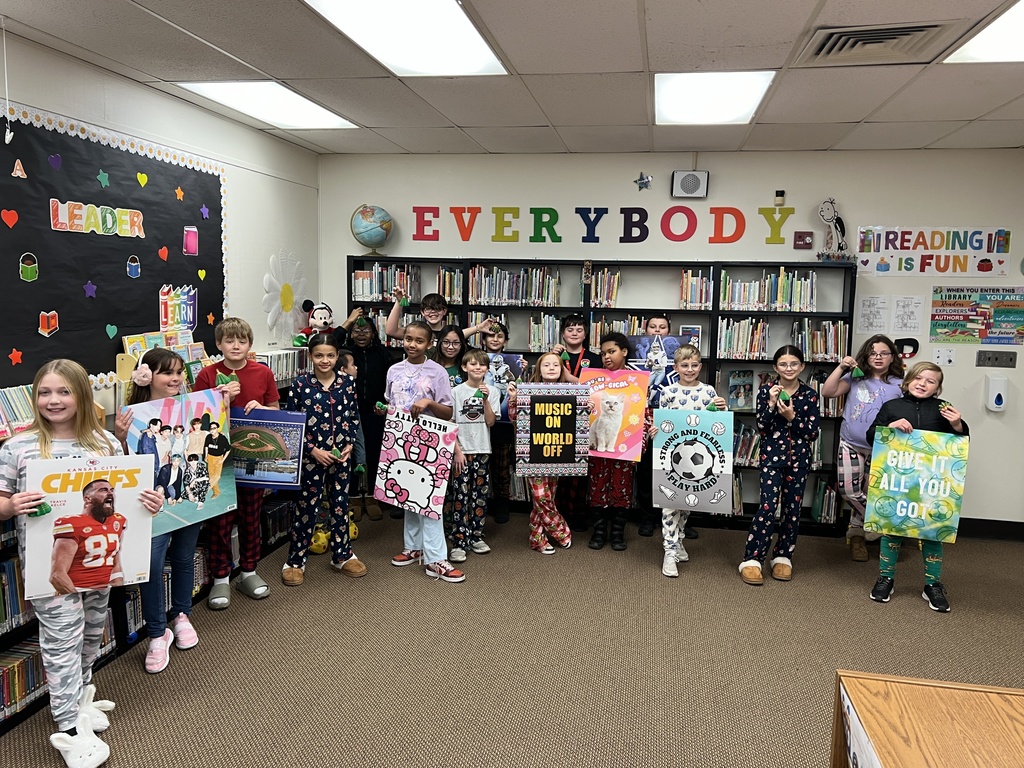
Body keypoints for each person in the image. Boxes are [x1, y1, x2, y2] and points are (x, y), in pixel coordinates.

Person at [0, 359, 162, 767]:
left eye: (64, 391)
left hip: (100, 564)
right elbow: (0, 500)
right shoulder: (18, 447)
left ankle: (82, 695)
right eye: (44, 392)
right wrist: (10, 506)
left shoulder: (105, 443)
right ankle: (69, 729)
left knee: (93, 630)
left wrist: (151, 502)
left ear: (81, 395)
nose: (53, 400)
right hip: (50, 569)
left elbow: (127, 498)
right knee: (61, 640)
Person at [119, 347, 202, 674]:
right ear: (146, 375)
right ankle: (157, 631)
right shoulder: (132, 415)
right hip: (150, 501)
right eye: (168, 372)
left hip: (185, 488)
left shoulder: (190, 406)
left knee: (184, 556)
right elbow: (124, 463)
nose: (176, 379)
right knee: (151, 564)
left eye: (179, 372)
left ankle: (181, 614)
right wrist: (120, 437)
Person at [866, 362, 968, 613]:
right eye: (918, 378)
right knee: (892, 529)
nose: (923, 384)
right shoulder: (892, 407)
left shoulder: (944, 409)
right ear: (908, 380)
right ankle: (885, 578)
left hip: (931, 484)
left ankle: (932, 584)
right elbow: (872, 436)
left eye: (930, 381)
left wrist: (957, 425)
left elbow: (960, 446)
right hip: (898, 481)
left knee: (933, 532)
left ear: (938, 388)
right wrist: (889, 427)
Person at [193, 316, 280, 609]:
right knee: (220, 518)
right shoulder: (207, 374)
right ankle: (220, 578)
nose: (235, 346)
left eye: (241, 341)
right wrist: (220, 402)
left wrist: (263, 408)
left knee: (250, 516)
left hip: (251, 456)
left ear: (249, 344)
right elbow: (199, 420)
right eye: (229, 340)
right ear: (219, 344)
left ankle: (249, 571)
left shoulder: (262, 372)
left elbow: (276, 410)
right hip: (218, 458)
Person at [377, 321, 462, 582]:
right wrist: (384, 410)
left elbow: (449, 412)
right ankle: (413, 547)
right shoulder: (394, 369)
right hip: (400, 437)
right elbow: (391, 402)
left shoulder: (437, 372)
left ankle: (436, 559)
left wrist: (428, 402)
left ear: (429, 344)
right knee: (408, 496)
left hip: (430, 440)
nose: (412, 344)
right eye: (408, 339)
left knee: (429, 499)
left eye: (419, 341)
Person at [281, 334, 365, 585]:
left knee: (340, 505)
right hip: (312, 458)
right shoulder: (300, 384)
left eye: (330, 355)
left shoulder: (347, 383)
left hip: (341, 458)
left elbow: (353, 416)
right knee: (307, 507)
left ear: (337, 356)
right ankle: (295, 560)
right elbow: (292, 424)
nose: (324, 360)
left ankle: (342, 555)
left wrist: (349, 445)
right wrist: (312, 450)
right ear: (310, 356)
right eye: (319, 355)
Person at [739, 345, 821, 586]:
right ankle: (753, 558)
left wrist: (792, 418)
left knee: (792, 510)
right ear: (776, 367)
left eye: (794, 364)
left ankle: (783, 556)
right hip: (772, 459)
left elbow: (812, 433)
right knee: (767, 506)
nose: (789, 368)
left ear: (802, 366)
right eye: (783, 364)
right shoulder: (766, 390)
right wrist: (773, 405)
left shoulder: (810, 395)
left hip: (799, 460)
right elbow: (762, 427)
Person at [820, 335, 904, 561]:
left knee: (871, 492)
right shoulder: (855, 378)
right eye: (873, 353)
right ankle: (880, 523)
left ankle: (857, 536)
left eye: (884, 353)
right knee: (848, 490)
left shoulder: (900, 384)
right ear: (866, 355)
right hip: (851, 443)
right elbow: (828, 392)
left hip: (882, 447)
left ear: (892, 357)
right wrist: (841, 367)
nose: (878, 357)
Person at [655, 345, 727, 577]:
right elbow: (663, 423)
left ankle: (679, 540)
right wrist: (655, 431)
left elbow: (717, 426)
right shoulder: (667, 392)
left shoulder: (708, 392)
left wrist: (724, 410)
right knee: (669, 505)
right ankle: (669, 551)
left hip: (698, 461)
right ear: (676, 368)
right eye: (684, 365)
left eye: (694, 365)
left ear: (700, 366)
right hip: (671, 459)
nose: (689, 369)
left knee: (687, 503)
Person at [635, 313, 700, 540]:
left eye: (662, 327)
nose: (657, 331)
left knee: (677, 468)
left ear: (668, 331)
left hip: (675, 417)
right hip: (644, 417)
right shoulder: (638, 354)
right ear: (646, 330)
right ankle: (647, 517)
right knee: (645, 470)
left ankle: (681, 520)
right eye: (652, 327)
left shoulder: (679, 358)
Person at [507, 352, 575, 554]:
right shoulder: (527, 390)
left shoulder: (570, 391)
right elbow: (515, 420)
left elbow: (575, 423)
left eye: (556, 365)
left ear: (562, 369)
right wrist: (513, 400)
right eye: (547, 365)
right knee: (541, 496)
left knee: (547, 497)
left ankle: (536, 538)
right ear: (539, 369)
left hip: (557, 450)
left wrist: (584, 408)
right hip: (532, 451)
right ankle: (561, 531)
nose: (552, 368)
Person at [588, 332, 651, 552]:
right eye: (603, 353)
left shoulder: (638, 380)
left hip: (624, 446)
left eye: (611, 352)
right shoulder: (593, 379)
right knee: (597, 485)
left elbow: (644, 413)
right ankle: (599, 530)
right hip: (598, 447)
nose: (606, 357)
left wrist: (639, 442)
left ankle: (617, 532)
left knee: (621, 487)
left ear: (624, 352)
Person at [333, 313, 396, 520]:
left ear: (373, 333)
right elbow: (331, 341)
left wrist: (386, 406)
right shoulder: (345, 354)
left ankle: (371, 495)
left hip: (375, 413)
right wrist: (349, 320)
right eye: (357, 331)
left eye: (366, 330)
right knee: (349, 455)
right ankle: (352, 497)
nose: (361, 335)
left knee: (374, 454)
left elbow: (390, 385)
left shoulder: (382, 354)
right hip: (349, 414)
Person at [448, 349, 500, 562]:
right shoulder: (456, 392)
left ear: (487, 369)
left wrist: (486, 400)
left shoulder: (493, 391)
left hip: (482, 450)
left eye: (482, 365)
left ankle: (476, 536)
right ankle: (459, 540)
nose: (478, 368)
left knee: (479, 495)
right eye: (473, 364)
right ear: (464, 367)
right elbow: (450, 423)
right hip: (461, 450)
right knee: (460, 495)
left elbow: (490, 422)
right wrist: (457, 451)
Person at [551, 313, 601, 532]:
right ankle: (558, 513)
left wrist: (569, 377)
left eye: (579, 329)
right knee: (559, 468)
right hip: (555, 416)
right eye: (569, 329)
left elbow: (596, 387)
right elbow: (542, 378)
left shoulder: (594, 357)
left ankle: (578, 513)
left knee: (581, 469)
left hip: (584, 417)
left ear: (585, 334)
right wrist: (552, 358)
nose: (574, 333)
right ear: (563, 333)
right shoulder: (554, 355)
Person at [49, 480, 126, 594]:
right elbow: (57, 575)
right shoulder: (72, 524)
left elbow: (115, 562)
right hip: (74, 591)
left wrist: (115, 590)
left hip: (102, 592)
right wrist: (76, 598)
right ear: (87, 498)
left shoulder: (117, 521)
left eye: (112, 490)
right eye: (103, 490)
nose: (110, 493)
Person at [480, 321, 518, 524]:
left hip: (503, 422)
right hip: (478, 421)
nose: (495, 339)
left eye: (500, 336)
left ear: (505, 340)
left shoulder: (512, 362)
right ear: (484, 339)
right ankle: (482, 501)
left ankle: (502, 502)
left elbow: (516, 387)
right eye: (491, 336)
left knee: (502, 465)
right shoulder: (475, 359)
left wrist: (521, 373)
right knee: (480, 464)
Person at [383, 287, 493, 343]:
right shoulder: (416, 331)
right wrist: (399, 302)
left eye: (438, 309)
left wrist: (478, 328)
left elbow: (460, 334)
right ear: (422, 312)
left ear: (444, 311)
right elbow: (390, 331)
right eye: (428, 309)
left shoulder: (448, 332)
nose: (433, 313)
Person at [428, 323, 469, 390]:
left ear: (461, 345)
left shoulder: (467, 368)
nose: (450, 347)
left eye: (456, 343)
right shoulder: (430, 366)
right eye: (446, 342)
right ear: (440, 343)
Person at [202, 422, 231, 499]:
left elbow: (228, 449)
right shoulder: (208, 437)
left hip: (219, 458)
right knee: (211, 476)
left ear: (217, 429)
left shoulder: (222, 438)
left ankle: (205, 489)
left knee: (217, 476)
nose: (212, 430)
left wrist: (223, 460)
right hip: (210, 457)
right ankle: (216, 492)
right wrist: (205, 456)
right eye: (211, 428)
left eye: (214, 428)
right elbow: (206, 447)